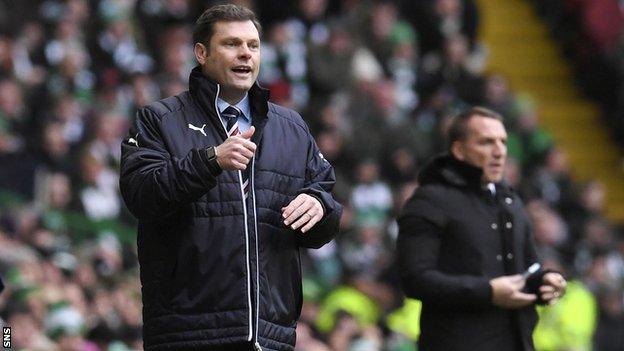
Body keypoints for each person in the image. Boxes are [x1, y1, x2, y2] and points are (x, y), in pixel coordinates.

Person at [119, 5, 342, 350]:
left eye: (253, 46)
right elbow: (141, 195)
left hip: (270, 334)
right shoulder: (159, 120)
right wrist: (211, 161)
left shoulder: (292, 128)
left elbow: (325, 202)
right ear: (202, 53)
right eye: (232, 44)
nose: (245, 54)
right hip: (189, 333)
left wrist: (319, 206)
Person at [396, 107, 567, 351]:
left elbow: (527, 269)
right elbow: (415, 279)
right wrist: (487, 292)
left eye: (503, 142)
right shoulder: (430, 201)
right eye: (486, 142)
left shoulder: (511, 201)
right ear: (459, 150)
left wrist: (544, 281)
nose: (499, 152)